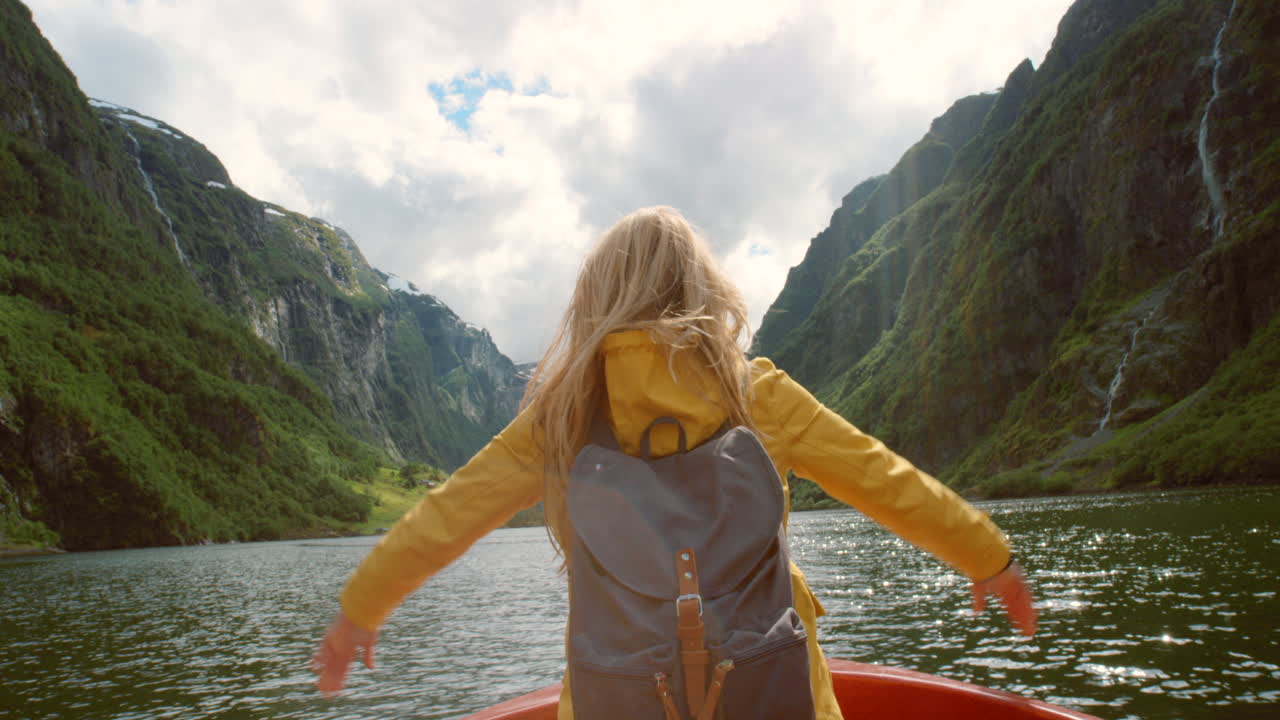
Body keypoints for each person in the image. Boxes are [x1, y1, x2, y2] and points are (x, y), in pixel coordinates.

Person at [311, 206, 1037, 719]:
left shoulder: (561, 418)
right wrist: (986, 556)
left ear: (595, 303)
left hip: (614, 699)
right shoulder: (757, 395)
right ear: (701, 287)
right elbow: (885, 479)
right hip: (777, 692)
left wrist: (360, 610)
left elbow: (450, 513)